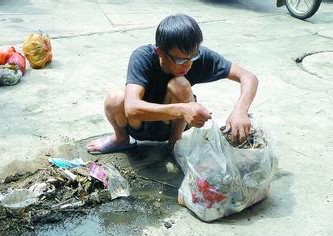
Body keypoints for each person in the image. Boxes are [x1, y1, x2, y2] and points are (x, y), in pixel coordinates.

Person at [86, 14, 258, 154]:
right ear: (160, 52)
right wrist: (183, 110)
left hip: (172, 126)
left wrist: (240, 110)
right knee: (114, 98)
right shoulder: (142, 57)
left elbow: (248, 76)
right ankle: (121, 139)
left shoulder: (195, 56)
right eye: (180, 60)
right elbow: (131, 108)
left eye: (192, 58)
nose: (188, 65)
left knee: (180, 84)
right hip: (139, 124)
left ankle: (175, 145)